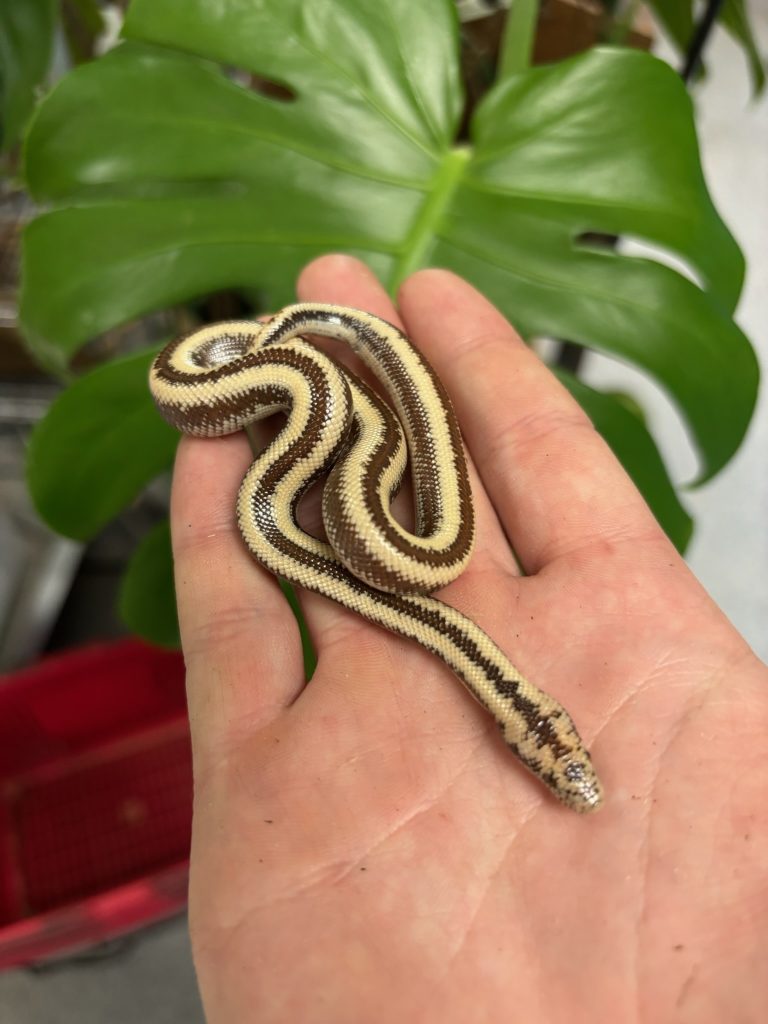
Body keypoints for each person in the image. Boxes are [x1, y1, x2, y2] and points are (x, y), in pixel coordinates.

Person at [170, 255, 767, 1023]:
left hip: (325, 435)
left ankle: (333, 400)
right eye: (565, 755)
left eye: (554, 763)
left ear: (518, 735)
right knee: (312, 493)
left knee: (360, 517)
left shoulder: (430, 561)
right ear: (536, 719)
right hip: (287, 399)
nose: (567, 769)